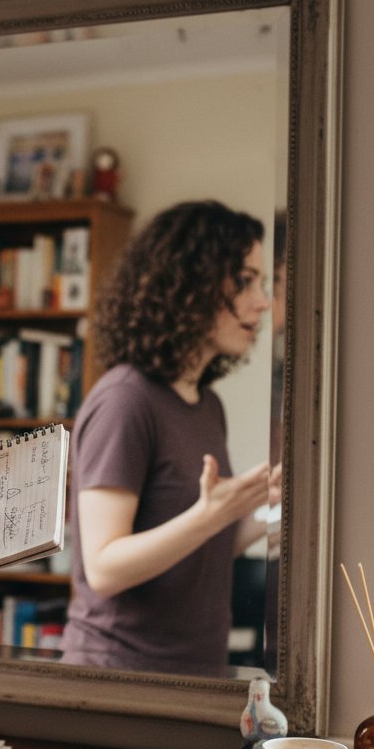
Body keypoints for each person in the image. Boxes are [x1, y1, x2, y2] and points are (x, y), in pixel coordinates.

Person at [58, 200, 277, 677]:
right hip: (118, 678)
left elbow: (207, 543)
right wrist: (212, 512)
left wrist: (269, 507)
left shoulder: (206, 405)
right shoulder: (124, 401)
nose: (262, 300)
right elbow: (103, 567)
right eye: (245, 280)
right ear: (191, 285)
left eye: (261, 282)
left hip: (194, 673)